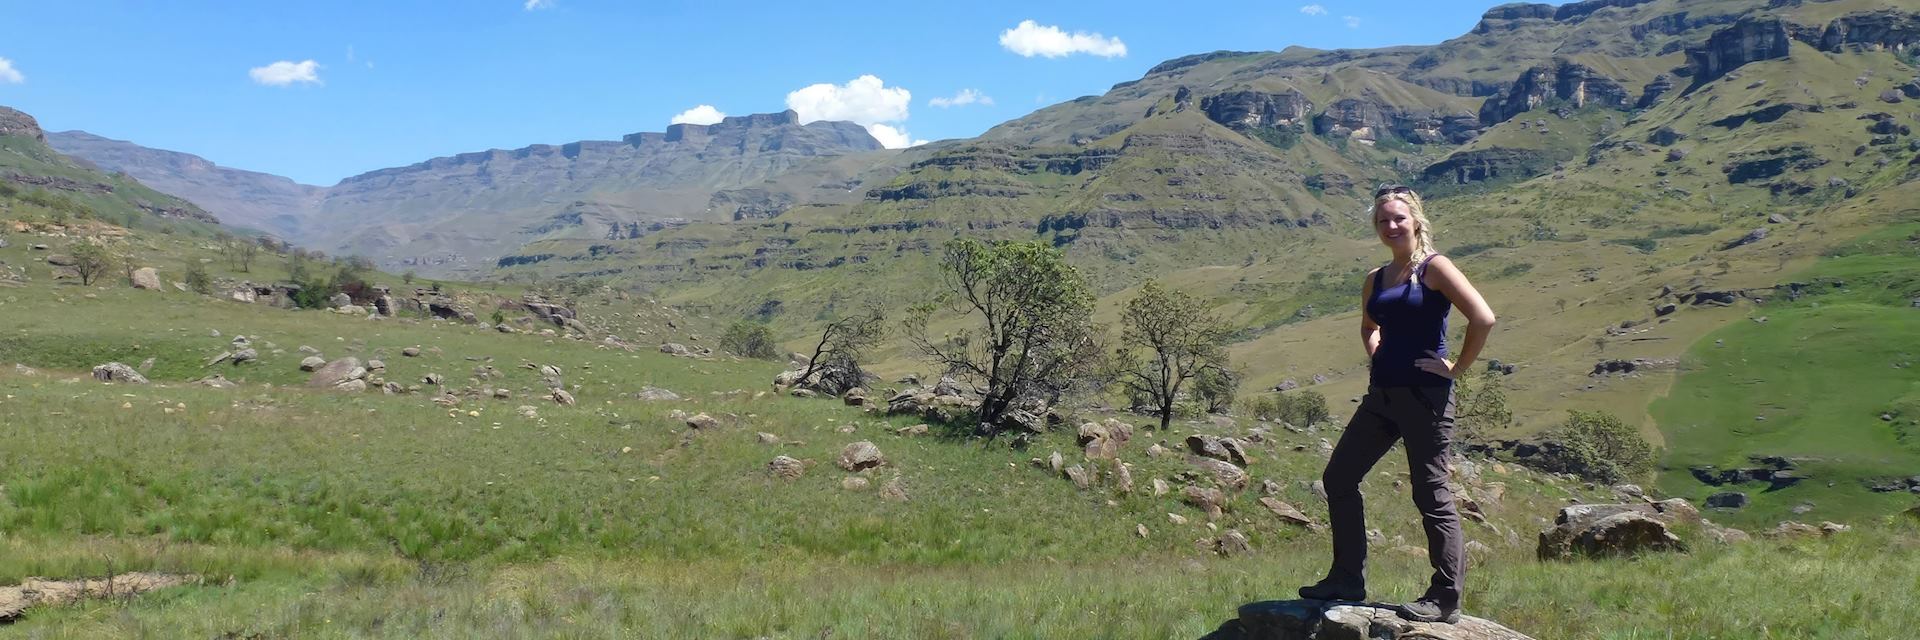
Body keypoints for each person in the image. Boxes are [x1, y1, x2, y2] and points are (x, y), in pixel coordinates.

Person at [1297, 185, 1496, 624]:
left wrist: (1455, 367)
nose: (1390, 226)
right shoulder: (1377, 277)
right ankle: (1347, 578)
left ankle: (1445, 597)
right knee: (1340, 477)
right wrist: (1377, 351)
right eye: (1383, 220)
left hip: (1425, 397)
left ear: (1416, 221)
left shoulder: (1434, 268)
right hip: (1382, 395)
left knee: (1431, 493)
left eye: (1398, 219)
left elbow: (1483, 317)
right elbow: (1369, 325)